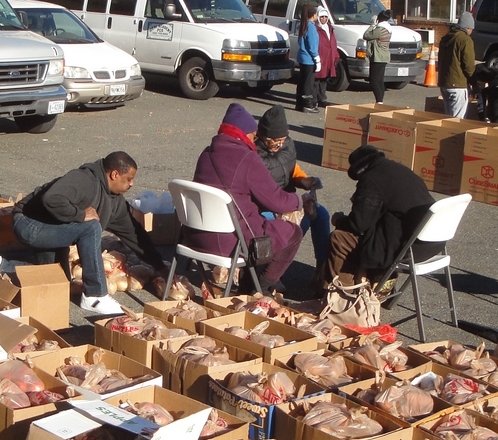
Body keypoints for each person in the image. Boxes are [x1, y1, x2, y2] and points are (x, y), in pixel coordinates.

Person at [0, 152, 167, 315]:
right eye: (129, 179)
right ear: (115, 174)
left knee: (59, 279)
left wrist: (160, 265)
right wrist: (80, 215)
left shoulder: (115, 201)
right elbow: (51, 198)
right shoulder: (84, 179)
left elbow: (134, 234)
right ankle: (94, 295)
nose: (132, 184)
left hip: (52, 230)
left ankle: (0, 267)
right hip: (29, 224)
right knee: (91, 227)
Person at [185, 103, 303, 296]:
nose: (253, 139)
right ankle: (261, 288)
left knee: (254, 225)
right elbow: (276, 201)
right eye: (251, 135)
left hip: (195, 237)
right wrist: (298, 201)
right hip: (231, 242)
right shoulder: (247, 158)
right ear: (242, 134)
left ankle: (248, 288)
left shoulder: (206, 154)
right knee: (291, 233)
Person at [319, 145, 441, 293]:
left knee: (340, 238)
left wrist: (339, 220)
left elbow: (359, 224)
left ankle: (343, 297)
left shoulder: (371, 179)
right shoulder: (400, 170)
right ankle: (379, 284)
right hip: (431, 244)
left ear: (359, 171)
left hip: (406, 250)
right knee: (368, 235)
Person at [254, 105, 330, 272]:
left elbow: (291, 168)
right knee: (291, 227)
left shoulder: (287, 146)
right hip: (265, 205)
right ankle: (273, 271)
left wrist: (306, 181)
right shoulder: (253, 154)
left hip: (287, 201)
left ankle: (324, 270)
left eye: (282, 139)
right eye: (273, 140)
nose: (278, 145)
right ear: (262, 136)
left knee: (321, 214)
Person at [438, 11, 476, 119]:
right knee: (457, 120)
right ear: (468, 28)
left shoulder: (445, 38)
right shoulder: (465, 40)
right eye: (471, 29)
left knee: (448, 118)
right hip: (458, 84)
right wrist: (474, 82)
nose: (472, 31)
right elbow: (468, 65)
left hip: (444, 83)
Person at [363, 9, 393, 104]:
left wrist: (372, 24)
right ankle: (380, 101)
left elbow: (366, 35)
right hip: (383, 56)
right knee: (380, 81)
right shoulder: (388, 28)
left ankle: (379, 101)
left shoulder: (380, 29)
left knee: (374, 81)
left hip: (377, 57)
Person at [296, 4, 320, 113]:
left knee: (302, 81)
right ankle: (308, 105)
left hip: (302, 57)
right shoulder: (311, 27)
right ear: (314, 15)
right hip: (309, 59)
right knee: (308, 83)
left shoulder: (304, 25)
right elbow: (312, 45)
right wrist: (317, 58)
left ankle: (299, 104)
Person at [314, 6, 339, 108]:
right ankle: (314, 99)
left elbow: (333, 42)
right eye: (321, 17)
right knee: (316, 80)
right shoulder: (316, 28)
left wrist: (336, 55)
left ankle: (322, 99)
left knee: (324, 79)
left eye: (325, 17)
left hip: (329, 57)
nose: (323, 19)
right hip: (320, 57)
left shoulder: (329, 28)